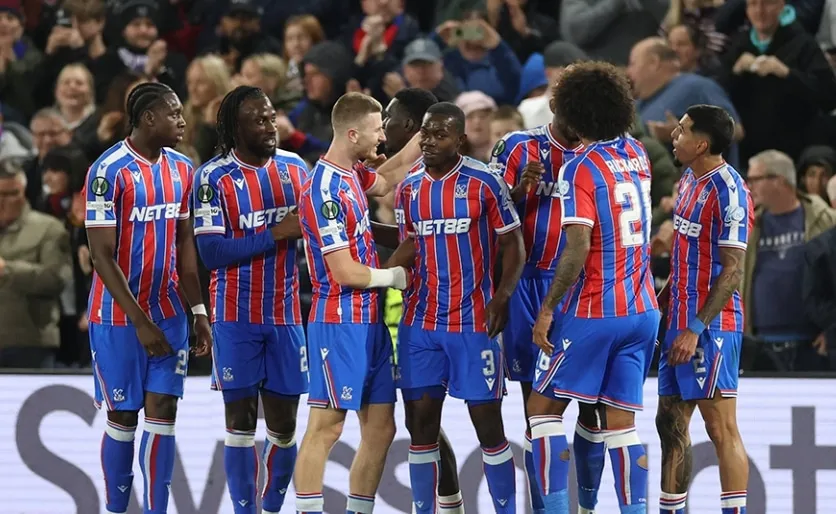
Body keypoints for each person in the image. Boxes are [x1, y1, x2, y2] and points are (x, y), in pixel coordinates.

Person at [528, 62, 660, 514]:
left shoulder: (579, 167)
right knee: (622, 426)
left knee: (541, 412)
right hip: (642, 309)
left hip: (594, 309)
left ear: (574, 111)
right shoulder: (638, 152)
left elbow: (578, 245)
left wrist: (548, 307)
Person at [391, 102, 525, 514]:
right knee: (420, 427)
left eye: (440, 134)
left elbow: (513, 244)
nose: (430, 141)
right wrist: (379, 276)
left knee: (488, 427)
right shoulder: (408, 188)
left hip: (473, 323)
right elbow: (411, 243)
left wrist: (502, 296)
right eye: (426, 133)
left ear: (460, 140)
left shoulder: (485, 182)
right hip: (420, 324)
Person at [84, 82, 212, 514]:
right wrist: (139, 321)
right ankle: (117, 509)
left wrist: (198, 311)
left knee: (163, 414)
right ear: (147, 119)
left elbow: (184, 243)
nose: (182, 120)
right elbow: (101, 256)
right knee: (123, 417)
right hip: (119, 317)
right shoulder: (108, 171)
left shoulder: (183, 168)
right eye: (173, 113)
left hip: (169, 310)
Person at [191, 85, 309, 514]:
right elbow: (211, 252)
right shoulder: (212, 178)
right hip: (235, 314)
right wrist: (276, 233)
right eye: (258, 120)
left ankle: (271, 508)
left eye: (271, 117)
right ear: (235, 128)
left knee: (284, 426)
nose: (270, 127)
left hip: (285, 314)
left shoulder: (296, 169)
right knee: (239, 423)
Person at [294, 92, 411, 514]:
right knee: (326, 427)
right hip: (339, 320)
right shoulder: (324, 190)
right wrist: (395, 276)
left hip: (370, 320)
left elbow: (390, 176)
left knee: (380, 428)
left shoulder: (353, 175)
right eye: (378, 129)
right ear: (353, 134)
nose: (383, 137)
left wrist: (427, 120)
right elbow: (343, 271)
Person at [488, 81, 583, 514]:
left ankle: (583, 503)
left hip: (578, 285)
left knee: (590, 405)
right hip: (526, 284)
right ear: (555, 107)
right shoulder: (515, 146)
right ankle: (546, 506)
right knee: (536, 405)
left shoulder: (599, 152)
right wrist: (517, 193)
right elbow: (487, 212)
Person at [655, 104, 753, 514]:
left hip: (711, 325)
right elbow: (685, 253)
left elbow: (733, 271)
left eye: (682, 130)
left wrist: (696, 327)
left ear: (701, 144)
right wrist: (663, 300)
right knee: (670, 423)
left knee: (720, 426)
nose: (674, 136)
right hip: (679, 318)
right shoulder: (687, 180)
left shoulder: (730, 191)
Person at [382, 88, 465, 513]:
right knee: (420, 421)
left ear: (411, 127)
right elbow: (410, 239)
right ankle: (450, 505)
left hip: (441, 311)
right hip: (412, 303)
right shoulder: (409, 177)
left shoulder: (423, 176)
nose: (383, 128)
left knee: (424, 420)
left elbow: (419, 242)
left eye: (389, 119)